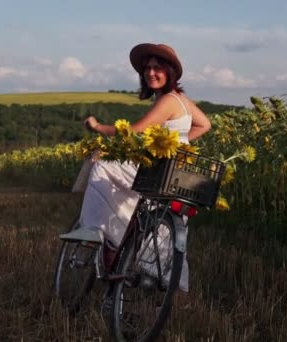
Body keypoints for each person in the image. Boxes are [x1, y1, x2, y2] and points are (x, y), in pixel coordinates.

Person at [59, 43, 212, 291]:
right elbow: (205, 125)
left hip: (161, 173)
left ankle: (93, 230)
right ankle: (127, 248)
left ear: (170, 71)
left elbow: (133, 131)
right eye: (147, 68)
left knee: (102, 162)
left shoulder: (168, 100)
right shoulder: (182, 100)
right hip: (175, 174)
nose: (150, 72)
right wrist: (175, 142)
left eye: (157, 67)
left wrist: (97, 127)